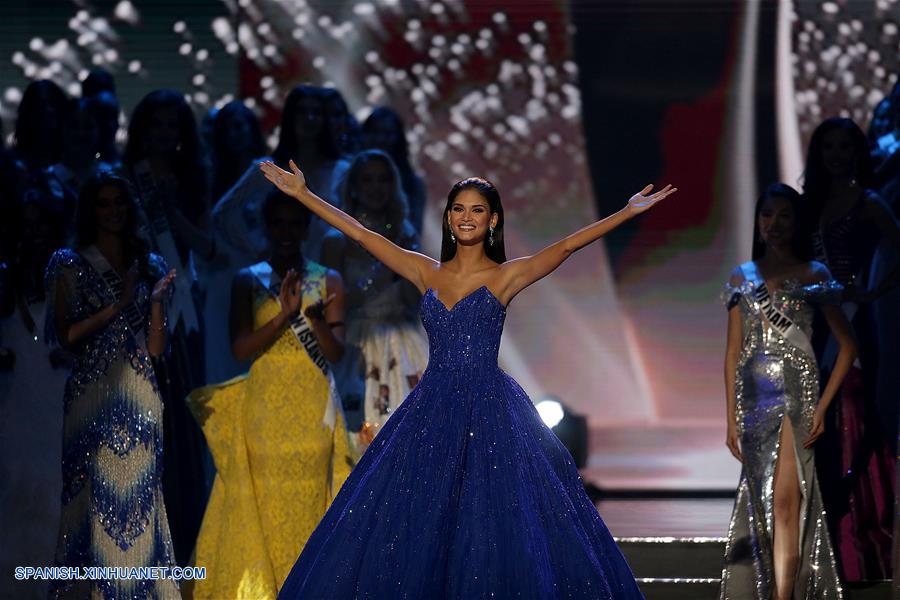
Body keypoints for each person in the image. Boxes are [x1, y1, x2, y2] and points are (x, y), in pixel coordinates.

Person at [261, 158, 675, 598]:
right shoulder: (426, 271)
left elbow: (569, 245)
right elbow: (363, 236)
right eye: (458, 208)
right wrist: (304, 195)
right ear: (447, 217)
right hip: (432, 408)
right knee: (423, 519)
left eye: (477, 210)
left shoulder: (505, 276)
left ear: (493, 220)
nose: (466, 217)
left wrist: (626, 213)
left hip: (491, 409)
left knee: (488, 519)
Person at [186, 190, 354, 599]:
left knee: (310, 501)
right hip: (265, 408)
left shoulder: (329, 279)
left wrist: (313, 322)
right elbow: (240, 349)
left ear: (306, 228)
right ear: (266, 226)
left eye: (294, 223)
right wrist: (283, 314)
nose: (286, 232)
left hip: (312, 409)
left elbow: (335, 352)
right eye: (277, 223)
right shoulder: (249, 278)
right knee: (265, 504)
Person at [43, 173, 180, 599]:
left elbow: (157, 348)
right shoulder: (68, 263)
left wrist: (154, 301)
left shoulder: (150, 264)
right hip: (90, 399)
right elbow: (66, 336)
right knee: (90, 502)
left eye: (120, 202)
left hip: (141, 393)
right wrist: (118, 306)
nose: (114, 211)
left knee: (138, 500)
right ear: (90, 210)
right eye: (103, 204)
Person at [720, 183, 854, 599]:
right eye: (766, 215)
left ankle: (783, 596)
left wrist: (823, 406)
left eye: (784, 216)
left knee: (787, 503)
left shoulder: (815, 273)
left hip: (798, 397)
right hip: (755, 400)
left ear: (796, 223)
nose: (773, 224)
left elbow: (848, 345)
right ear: (757, 222)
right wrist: (730, 419)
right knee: (764, 501)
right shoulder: (743, 276)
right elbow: (732, 352)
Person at [802, 117, 899, 581]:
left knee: (854, 413)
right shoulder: (808, 204)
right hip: (812, 320)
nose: (837, 155)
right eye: (828, 147)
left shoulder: (869, 202)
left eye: (845, 147)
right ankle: (821, 541)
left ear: (858, 152)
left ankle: (860, 533)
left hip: (853, 319)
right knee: (815, 413)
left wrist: (873, 292)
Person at [124, 89, 213, 565]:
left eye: (171, 127)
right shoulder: (124, 183)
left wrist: (171, 209)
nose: (163, 136)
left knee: (180, 422)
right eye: (155, 125)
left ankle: (180, 538)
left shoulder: (191, 183)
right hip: (135, 316)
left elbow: (209, 247)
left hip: (183, 320)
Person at [321, 149, 427, 437]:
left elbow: (417, 301)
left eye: (383, 180)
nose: (375, 188)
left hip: (405, 344)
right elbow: (332, 306)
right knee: (362, 435)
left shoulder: (404, 234)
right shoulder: (336, 240)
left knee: (412, 433)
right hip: (358, 347)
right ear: (354, 186)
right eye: (367, 180)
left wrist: (405, 262)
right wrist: (377, 277)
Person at [362, 107, 427, 234]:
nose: (380, 139)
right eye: (375, 132)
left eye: (387, 133)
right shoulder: (345, 171)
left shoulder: (413, 184)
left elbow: (414, 231)